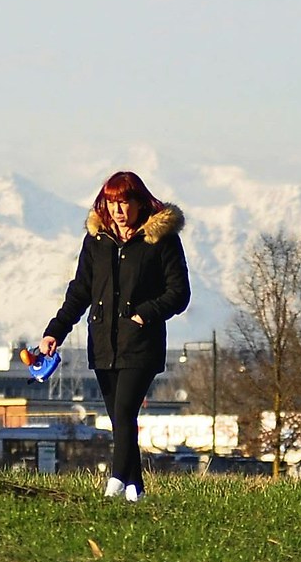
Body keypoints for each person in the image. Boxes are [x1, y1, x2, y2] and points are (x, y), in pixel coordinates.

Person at [35, 171, 190, 502]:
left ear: (139, 203)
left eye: (124, 202)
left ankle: (116, 480)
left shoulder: (160, 240)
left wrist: (145, 314)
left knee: (123, 413)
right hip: (103, 343)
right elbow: (81, 291)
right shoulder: (96, 241)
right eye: (112, 202)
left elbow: (179, 293)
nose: (118, 210)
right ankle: (137, 491)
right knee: (121, 422)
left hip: (141, 344)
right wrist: (55, 331)